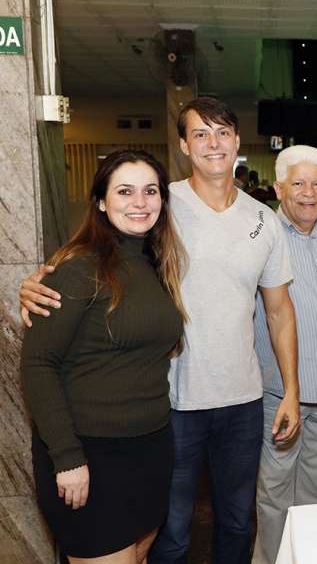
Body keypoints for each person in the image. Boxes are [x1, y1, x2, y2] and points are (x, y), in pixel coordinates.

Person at [20, 97, 302, 564]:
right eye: (200, 134)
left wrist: (290, 389)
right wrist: (36, 281)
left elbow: (280, 312)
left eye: (223, 133)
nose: (213, 144)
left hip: (241, 399)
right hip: (170, 402)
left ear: (236, 142)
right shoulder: (158, 205)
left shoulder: (263, 219)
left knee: (234, 521)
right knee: (169, 532)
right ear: (184, 146)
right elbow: (94, 253)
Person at [20, 150, 186, 562]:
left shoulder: (156, 265)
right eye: (125, 191)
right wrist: (67, 458)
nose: (140, 202)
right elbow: (38, 366)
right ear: (100, 201)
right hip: (89, 458)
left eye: (150, 191)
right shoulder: (78, 269)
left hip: (149, 451)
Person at [251, 146, 317, 564]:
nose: (307, 193)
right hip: (279, 395)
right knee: (274, 496)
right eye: (297, 183)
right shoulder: (260, 236)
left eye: (316, 183)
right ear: (278, 188)